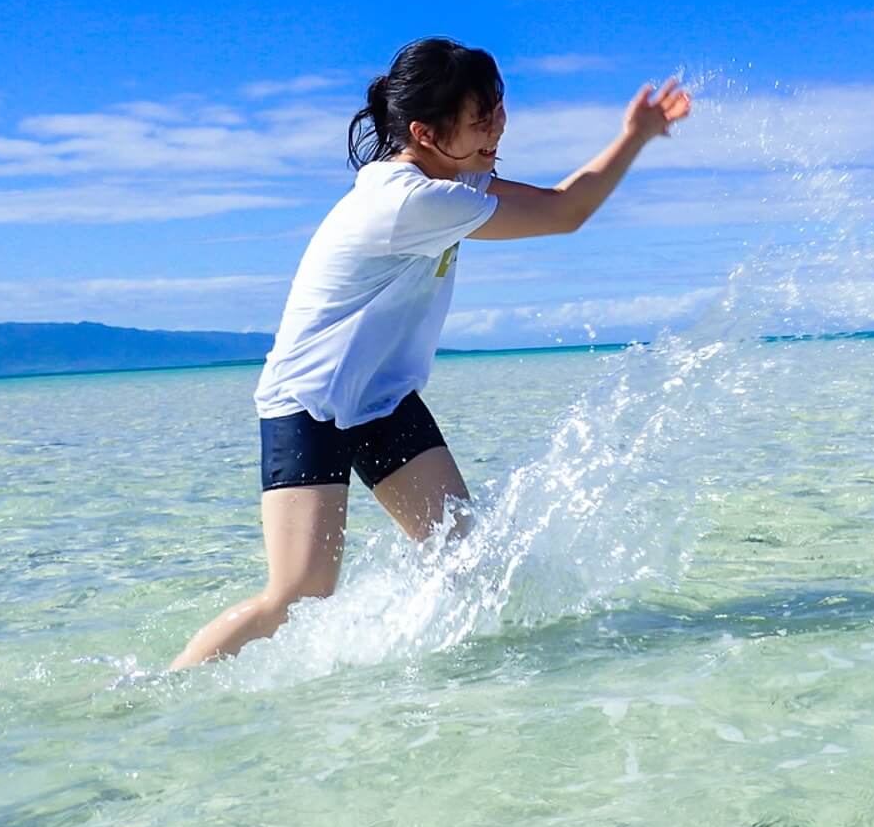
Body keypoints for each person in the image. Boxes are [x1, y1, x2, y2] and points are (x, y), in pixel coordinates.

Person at [170, 37, 691, 668]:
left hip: (382, 399)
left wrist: (634, 134)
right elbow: (566, 213)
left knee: (467, 563)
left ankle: (437, 685)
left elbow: (565, 207)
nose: (497, 128)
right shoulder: (414, 200)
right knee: (299, 593)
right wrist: (634, 136)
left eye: (498, 111)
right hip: (310, 402)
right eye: (480, 120)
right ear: (423, 131)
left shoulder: (446, 177)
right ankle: (168, 694)